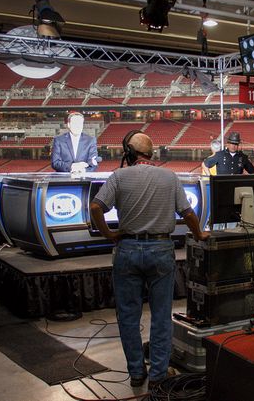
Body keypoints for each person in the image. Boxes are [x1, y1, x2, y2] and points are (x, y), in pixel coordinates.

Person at [89, 131, 209, 390]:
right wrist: (199, 234)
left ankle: (135, 372)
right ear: (150, 153)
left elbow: (96, 207)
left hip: (128, 249)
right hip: (160, 248)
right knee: (161, 315)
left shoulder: (119, 176)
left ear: (129, 153)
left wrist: (109, 234)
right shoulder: (169, 176)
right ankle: (158, 375)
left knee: (129, 315)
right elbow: (187, 213)